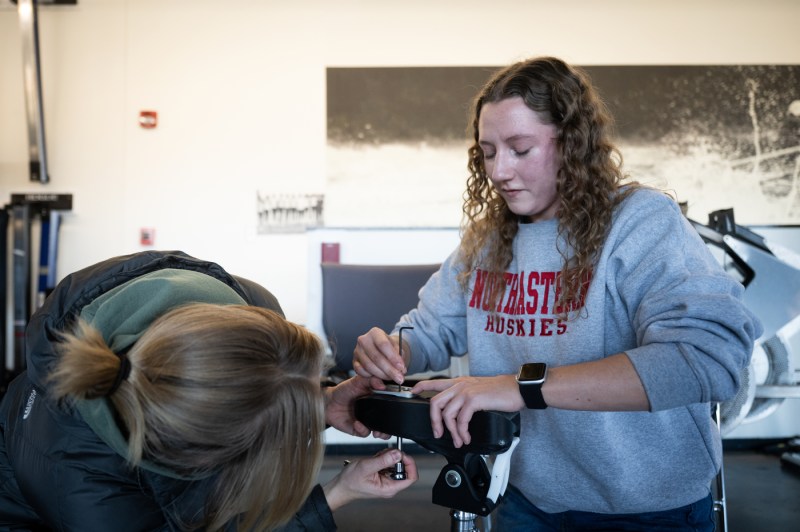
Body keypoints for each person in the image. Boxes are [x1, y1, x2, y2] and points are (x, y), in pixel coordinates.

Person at [353, 57, 762, 531]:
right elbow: (430, 329)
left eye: (520, 149)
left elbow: (707, 360)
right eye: (487, 152)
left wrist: (516, 388)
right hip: (530, 501)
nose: (498, 171)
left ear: (571, 143)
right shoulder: (487, 241)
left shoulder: (640, 223)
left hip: (649, 509)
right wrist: (393, 348)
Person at [0, 250, 417, 531]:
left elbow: (253, 388)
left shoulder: (248, 306)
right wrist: (333, 495)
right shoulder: (94, 502)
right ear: (201, 458)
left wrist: (322, 403)